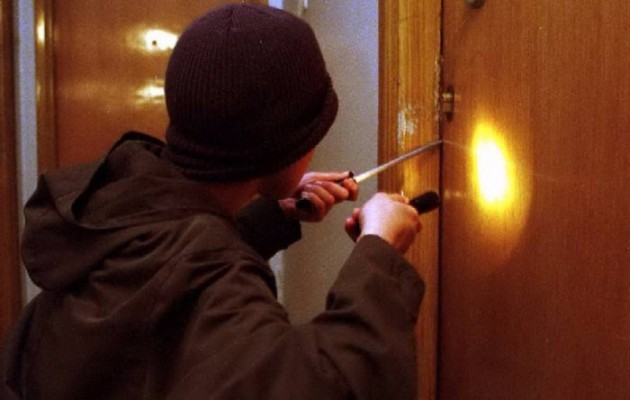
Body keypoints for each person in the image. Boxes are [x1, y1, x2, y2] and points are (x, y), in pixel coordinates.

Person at [1, 4, 424, 400]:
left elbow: (174, 272)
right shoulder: (210, 274)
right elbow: (336, 384)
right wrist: (380, 250)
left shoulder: (117, 203)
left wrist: (271, 216)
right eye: (314, 133)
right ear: (282, 146)